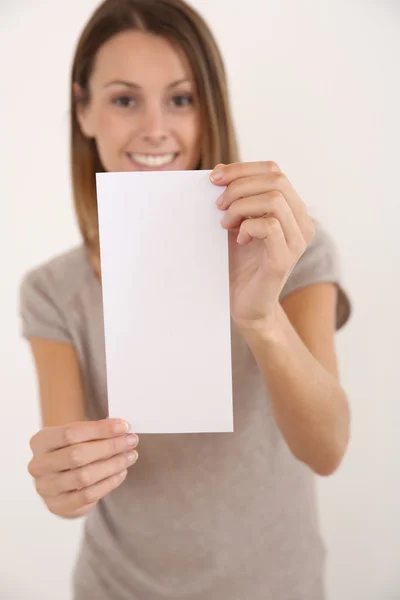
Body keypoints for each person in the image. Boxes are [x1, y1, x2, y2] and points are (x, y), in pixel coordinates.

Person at [20, 0, 352, 598]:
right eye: (125, 99)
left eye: (181, 98)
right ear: (84, 110)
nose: (154, 128)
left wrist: (259, 316)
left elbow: (326, 450)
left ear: (211, 106)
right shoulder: (53, 290)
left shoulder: (293, 245)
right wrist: (61, 484)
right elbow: (72, 486)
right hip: (118, 587)